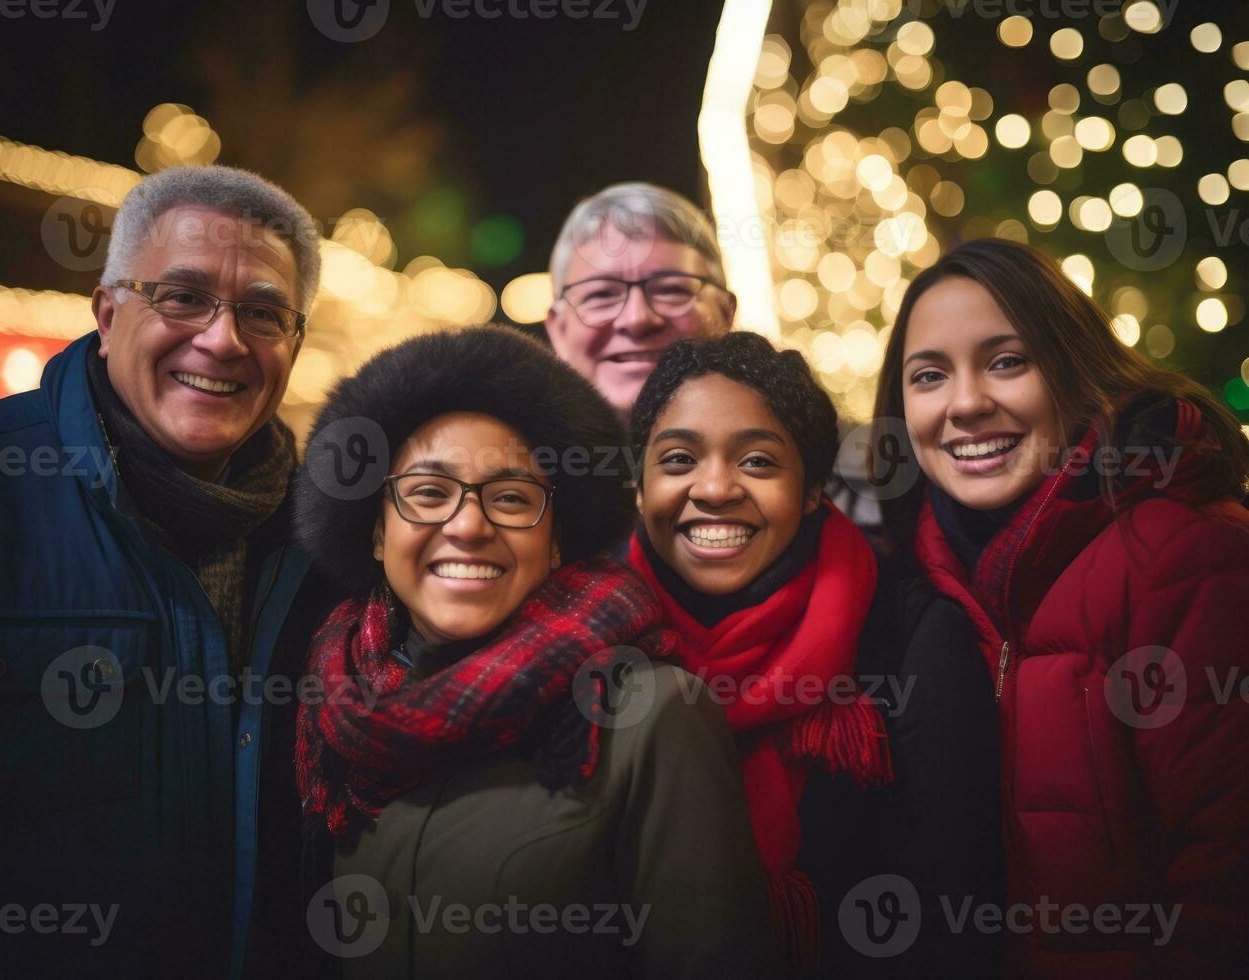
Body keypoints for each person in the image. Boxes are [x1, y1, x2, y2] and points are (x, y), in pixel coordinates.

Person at [292, 325, 777, 979]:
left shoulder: (650, 715)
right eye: (429, 494)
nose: (467, 526)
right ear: (377, 531)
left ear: (555, 540)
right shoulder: (332, 716)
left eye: (511, 498)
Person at [0, 165, 335, 977]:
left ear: (295, 343)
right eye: (182, 297)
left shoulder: (329, 546)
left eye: (263, 312)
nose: (223, 340)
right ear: (108, 310)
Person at [872, 237, 1249, 977]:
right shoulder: (922, 590)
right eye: (928, 376)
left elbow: (1224, 897)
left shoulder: (1187, 556)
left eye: (1007, 361)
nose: (967, 403)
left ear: (1073, 369)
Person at [621, 332, 1004, 976]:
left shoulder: (909, 637)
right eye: (679, 460)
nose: (714, 488)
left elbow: (955, 915)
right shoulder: (594, 643)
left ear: (811, 492)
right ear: (639, 488)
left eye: (759, 463)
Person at [544, 182, 737, 418]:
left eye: (671, 290)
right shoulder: (514, 452)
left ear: (726, 313)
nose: (636, 319)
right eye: (601, 295)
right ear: (558, 329)